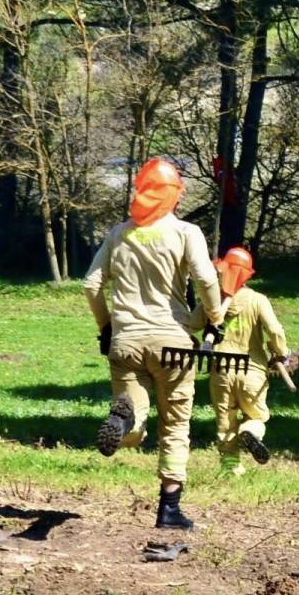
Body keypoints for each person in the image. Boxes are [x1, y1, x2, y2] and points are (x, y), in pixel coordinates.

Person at [83, 158, 225, 530]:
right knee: (175, 426)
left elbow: (90, 286)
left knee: (135, 418)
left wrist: (107, 327)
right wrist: (215, 318)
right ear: (176, 194)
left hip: (126, 340)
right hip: (173, 343)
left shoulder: (118, 234)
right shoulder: (186, 232)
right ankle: (169, 510)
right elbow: (208, 281)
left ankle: (126, 421)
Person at [189, 247, 288, 476]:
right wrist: (279, 353)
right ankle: (250, 431)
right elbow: (274, 330)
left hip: (221, 370)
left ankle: (231, 468)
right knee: (257, 415)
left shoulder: (211, 302)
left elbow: (190, 323)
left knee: (225, 422)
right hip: (252, 370)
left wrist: (194, 341)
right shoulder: (257, 300)